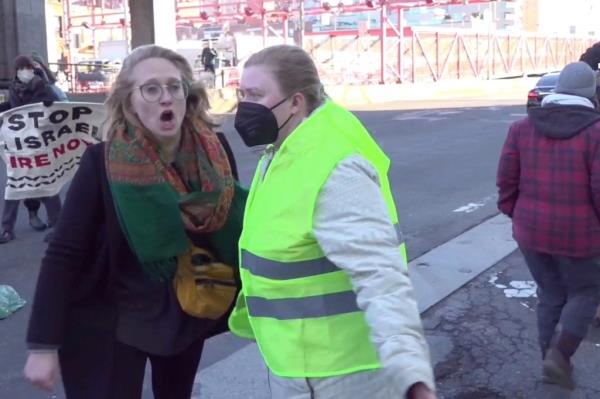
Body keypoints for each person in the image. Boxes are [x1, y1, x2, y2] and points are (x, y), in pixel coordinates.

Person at [24, 44, 241, 399]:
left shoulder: (214, 152)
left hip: (184, 304)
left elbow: (231, 227)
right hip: (113, 314)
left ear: (189, 94)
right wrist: (42, 344)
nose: (165, 97)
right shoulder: (102, 162)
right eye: (151, 89)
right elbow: (64, 252)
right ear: (129, 102)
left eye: (174, 87)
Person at [228, 44, 435, 399]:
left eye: (257, 95)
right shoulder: (284, 147)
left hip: (340, 375)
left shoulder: (335, 167)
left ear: (296, 102)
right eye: (242, 94)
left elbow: (381, 276)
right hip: (300, 362)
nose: (245, 106)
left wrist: (411, 375)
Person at [497, 61, 600, 390]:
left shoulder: (522, 128)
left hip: (530, 231)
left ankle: (549, 359)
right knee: (586, 291)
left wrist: (516, 214)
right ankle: (560, 355)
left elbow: (506, 180)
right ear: (591, 93)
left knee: (551, 293)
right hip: (582, 235)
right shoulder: (596, 133)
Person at [0, 55, 61, 244]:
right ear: (17, 71)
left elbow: (50, 103)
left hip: (39, 144)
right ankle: (6, 229)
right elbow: (14, 107)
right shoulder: (14, 87)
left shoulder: (40, 85)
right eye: (22, 68)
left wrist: (41, 82)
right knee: (15, 186)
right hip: (20, 145)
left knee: (47, 186)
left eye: (27, 67)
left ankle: (58, 228)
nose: (25, 71)